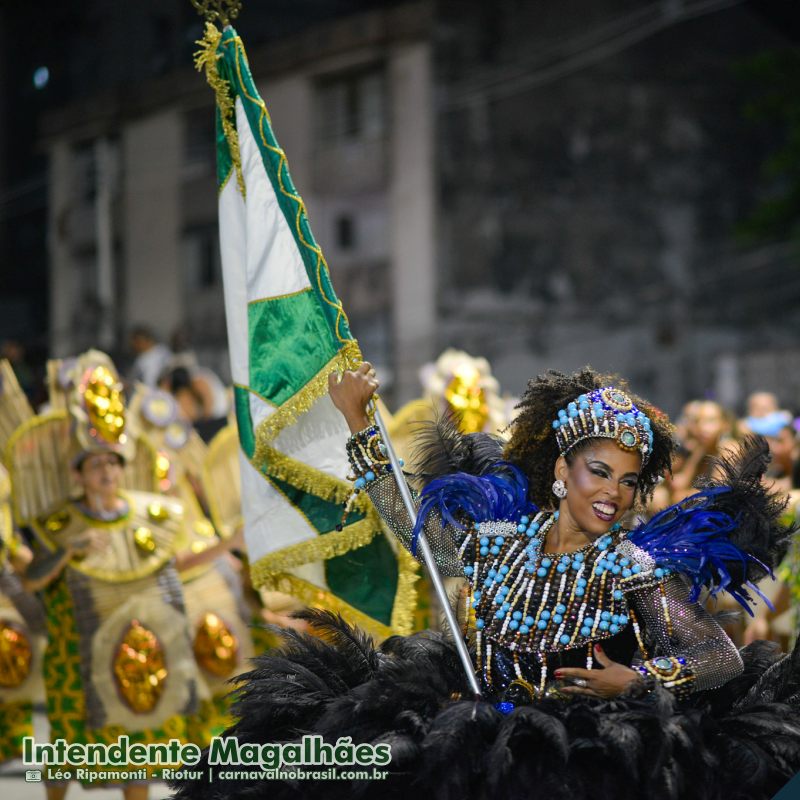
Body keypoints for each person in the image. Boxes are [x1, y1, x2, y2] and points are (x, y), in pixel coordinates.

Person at [173, 367, 798, 800]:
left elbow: (718, 656)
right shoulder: (500, 545)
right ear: (561, 469)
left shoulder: (630, 569)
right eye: (599, 472)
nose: (612, 493)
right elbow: (412, 525)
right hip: (476, 752)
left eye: (628, 482)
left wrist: (637, 680)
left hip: (589, 766)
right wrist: (360, 425)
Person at [4, 351, 206, 800]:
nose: (107, 472)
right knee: (65, 747)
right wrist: (66, 552)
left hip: (133, 650)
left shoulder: (149, 516)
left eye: (113, 463)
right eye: (96, 465)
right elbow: (32, 579)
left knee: (140, 748)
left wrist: (224, 548)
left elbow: (174, 569)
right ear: (78, 475)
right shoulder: (57, 523)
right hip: (73, 657)